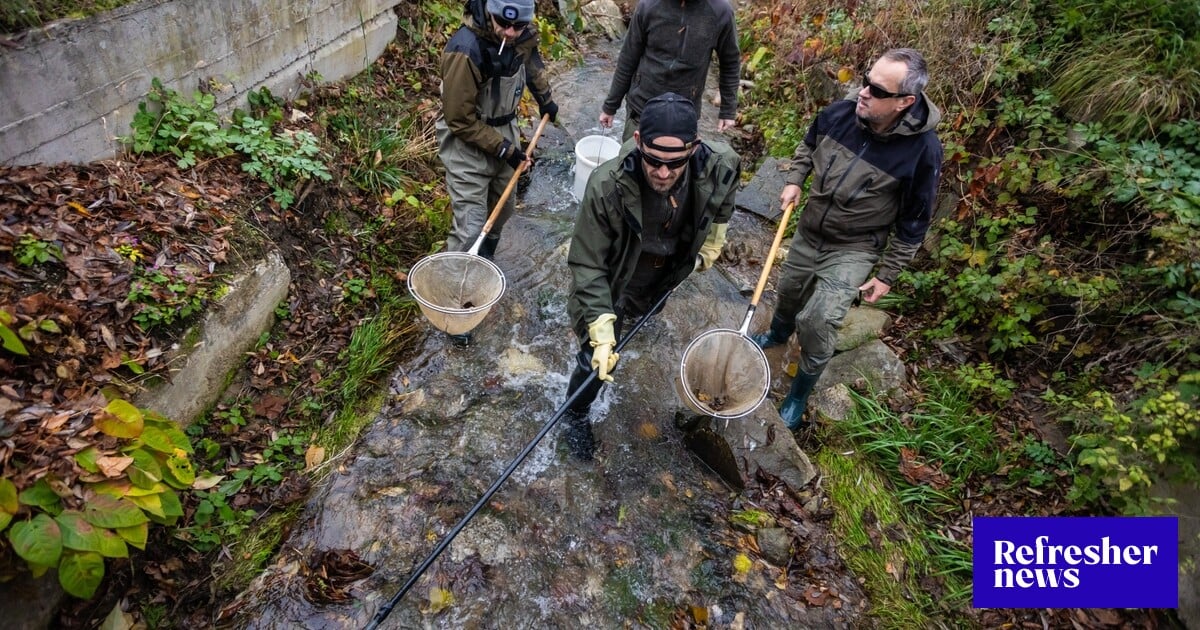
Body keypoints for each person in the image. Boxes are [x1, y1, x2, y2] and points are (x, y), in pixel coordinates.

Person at [751, 48, 943, 430]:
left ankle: (798, 394)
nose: (863, 92)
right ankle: (777, 332)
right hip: (809, 230)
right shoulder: (840, 114)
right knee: (789, 291)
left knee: (820, 319)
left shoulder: (923, 152)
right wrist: (794, 180)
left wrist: (887, 274)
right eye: (865, 80)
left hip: (854, 247)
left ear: (905, 102)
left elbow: (915, 221)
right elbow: (807, 146)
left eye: (876, 89)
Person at [561, 93, 740, 460]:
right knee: (595, 354)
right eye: (653, 161)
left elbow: (726, 188)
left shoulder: (719, 163)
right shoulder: (605, 184)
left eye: (674, 164)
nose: (662, 173)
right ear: (639, 141)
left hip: (665, 266)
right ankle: (574, 414)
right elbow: (587, 263)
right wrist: (599, 326)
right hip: (615, 269)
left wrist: (715, 235)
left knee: (642, 315)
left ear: (695, 147)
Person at [436, 0, 559, 262]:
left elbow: (532, 64)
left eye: (518, 26)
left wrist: (545, 99)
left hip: (505, 129)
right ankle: (453, 287)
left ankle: (484, 263)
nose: (510, 32)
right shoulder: (465, 50)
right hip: (466, 141)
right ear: (490, 12)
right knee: (471, 226)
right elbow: (459, 119)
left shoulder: (520, 35)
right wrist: (504, 149)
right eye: (503, 24)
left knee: (503, 209)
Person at [598, 0, 740, 141]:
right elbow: (628, 59)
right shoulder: (648, 6)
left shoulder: (721, 12)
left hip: (685, 112)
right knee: (632, 160)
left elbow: (730, 62)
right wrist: (611, 106)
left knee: (673, 162)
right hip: (642, 107)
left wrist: (728, 110)